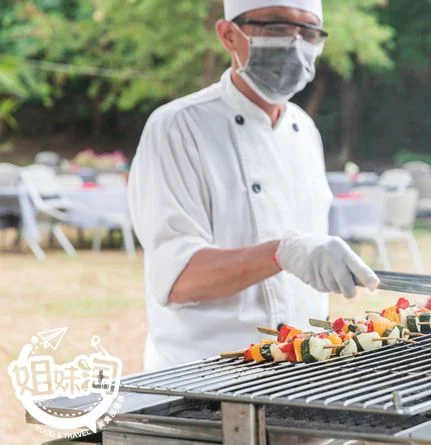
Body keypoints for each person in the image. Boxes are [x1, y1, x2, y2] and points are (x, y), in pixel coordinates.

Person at [128, 0, 380, 370]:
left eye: (309, 32)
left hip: (303, 372)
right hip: (203, 377)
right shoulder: (178, 127)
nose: (296, 44)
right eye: (278, 28)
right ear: (229, 34)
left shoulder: (305, 131)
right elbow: (177, 278)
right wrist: (282, 253)